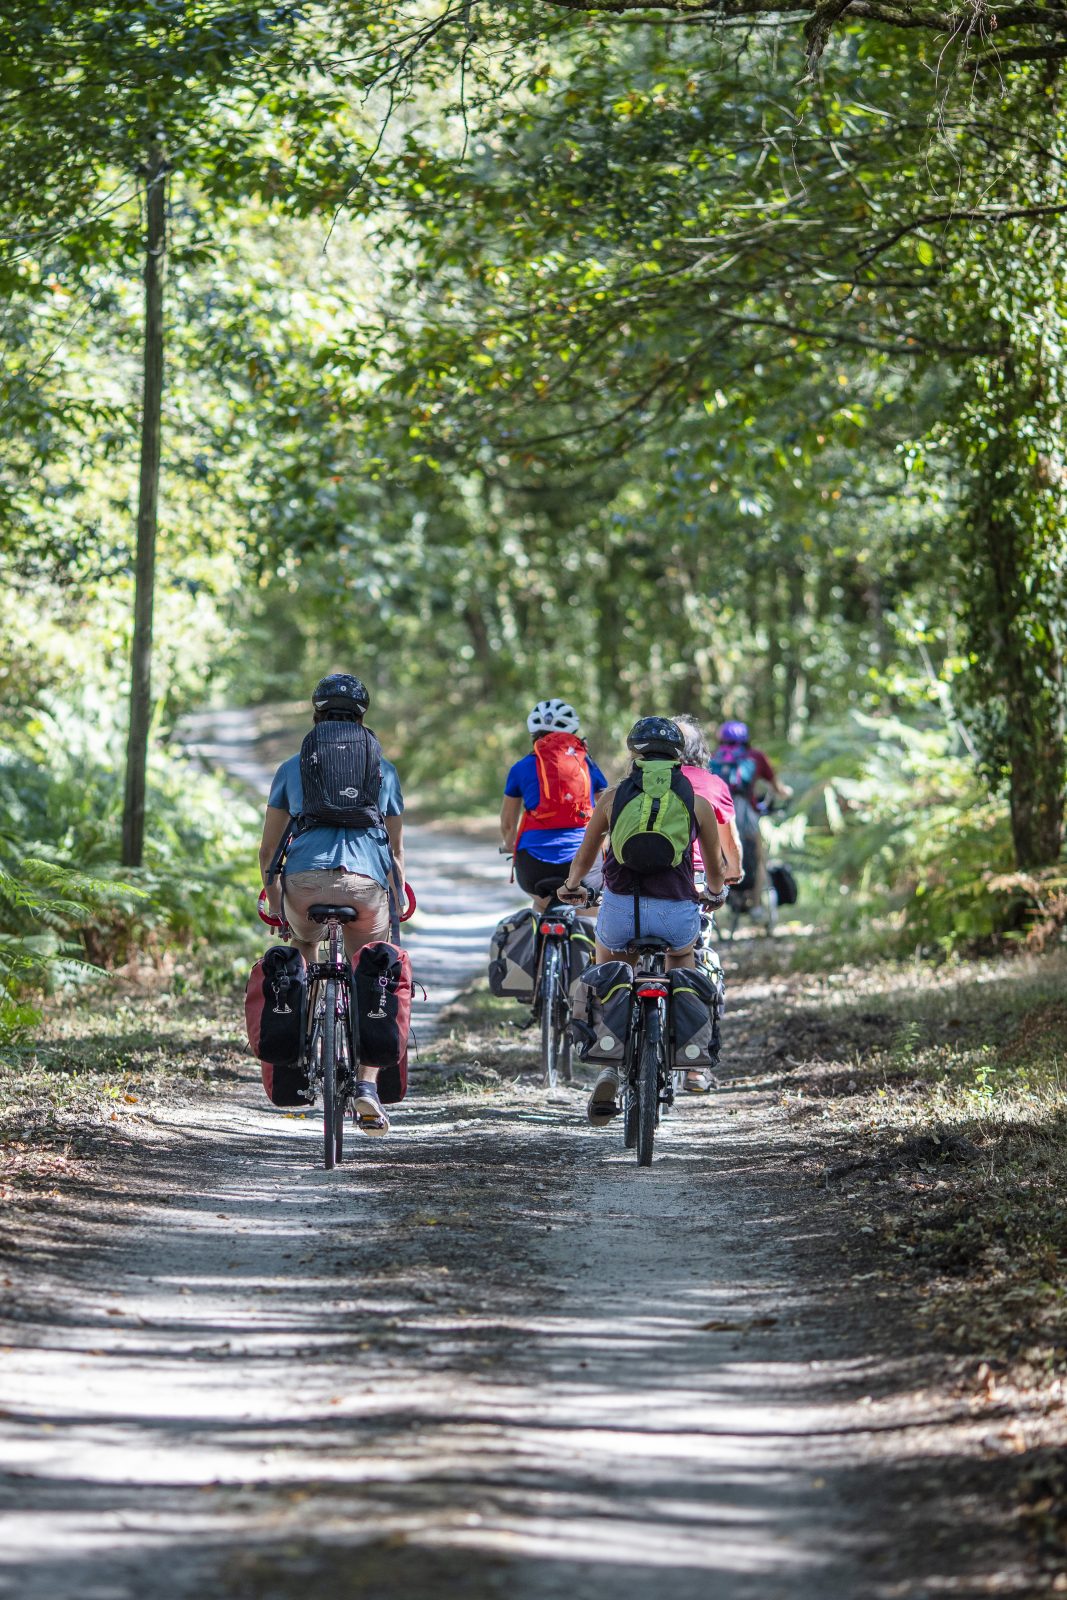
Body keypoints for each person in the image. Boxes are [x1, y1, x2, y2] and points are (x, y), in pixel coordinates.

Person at [557, 717, 727, 1122]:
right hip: (676, 912)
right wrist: (715, 893)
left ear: (635, 754)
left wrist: (572, 886)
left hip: (621, 911)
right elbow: (716, 868)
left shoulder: (613, 798)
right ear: (678, 756)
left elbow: (584, 856)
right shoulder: (697, 803)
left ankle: (609, 1068)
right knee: (681, 962)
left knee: (612, 968)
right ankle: (687, 1050)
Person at [258, 674, 405, 1136]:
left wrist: (278, 908)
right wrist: (397, 902)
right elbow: (395, 853)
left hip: (305, 883)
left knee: (303, 946)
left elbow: (268, 852)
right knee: (371, 963)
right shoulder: (383, 769)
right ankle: (366, 1085)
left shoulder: (291, 767)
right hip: (365, 885)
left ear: (315, 715)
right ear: (362, 718)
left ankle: (299, 1049)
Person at [500, 699, 608, 909]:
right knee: (588, 911)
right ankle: (584, 929)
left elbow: (507, 824)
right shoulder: (586, 764)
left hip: (533, 865)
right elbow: (608, 808)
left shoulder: (520, 768)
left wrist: (508, 845)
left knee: (542, 907)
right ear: (572, 734)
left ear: (534, 735)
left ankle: (540, 927)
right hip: (583, 861)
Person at [710, 719, 791, 907]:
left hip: (717, 814)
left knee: (713, 854)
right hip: (747, 815)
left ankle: (716, 901)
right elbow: (778, 788)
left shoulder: (713, 758)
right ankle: (756, 904)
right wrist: (787, 793)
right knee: (759, 857)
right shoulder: (755, 757)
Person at [673, 715, 744, 886]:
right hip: (692, 875)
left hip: (638, 878)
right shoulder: (714, 784)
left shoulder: (644, 779)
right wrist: (735, 870)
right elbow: (730, 841)